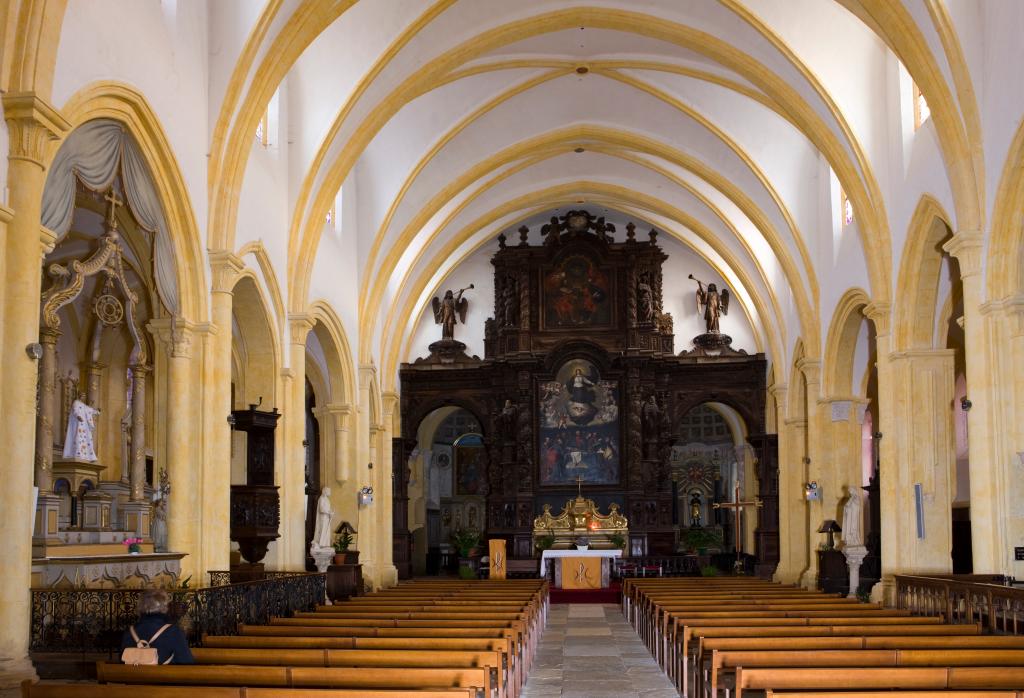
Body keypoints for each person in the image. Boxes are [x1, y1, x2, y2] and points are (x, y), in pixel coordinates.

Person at [120, 589, 193, 664]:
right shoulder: (174, 632)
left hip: (132, 675)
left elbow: (122, 660)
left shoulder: (129, 632)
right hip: (164, 675)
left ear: (140, 606)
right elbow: (187, 662)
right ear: (165, 607)